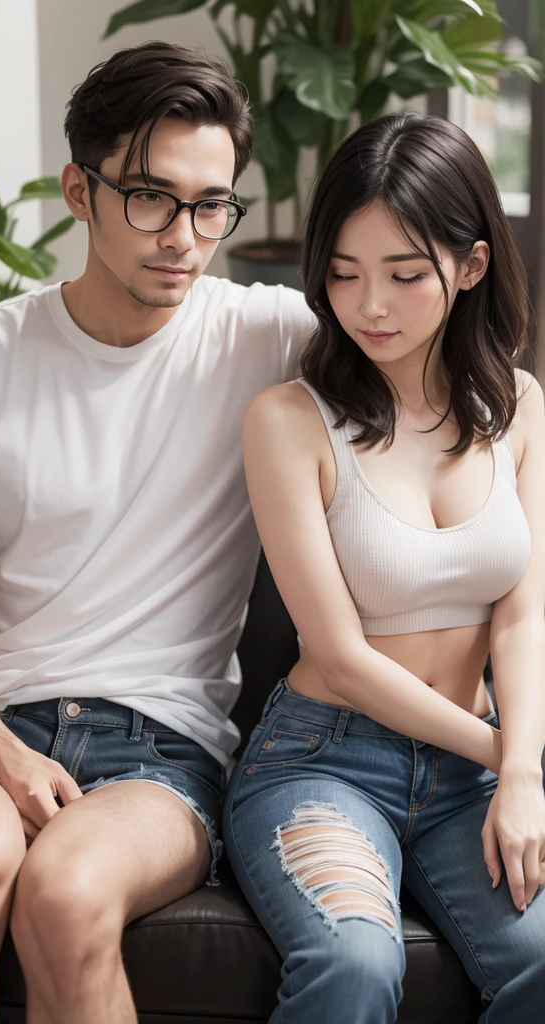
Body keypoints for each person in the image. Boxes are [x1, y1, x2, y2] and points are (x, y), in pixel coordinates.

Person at [0, 42, 315, 1024]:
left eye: (212, 205)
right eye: (151, 198)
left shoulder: (267, 338)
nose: (184, 237)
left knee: (67, 893)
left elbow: (425, 342)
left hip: (163, 749)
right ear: (79, 191)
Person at [223, 111, 545, 1023]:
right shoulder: (290, 420)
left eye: (405, 276)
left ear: (472, 265)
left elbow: (524, 617)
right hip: (325, 760)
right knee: (356, 964)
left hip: (473, 775)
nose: (369, 305)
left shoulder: (518, 406)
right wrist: (513, 763)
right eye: (344, 274)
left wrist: (514, 763)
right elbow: (340, 653)